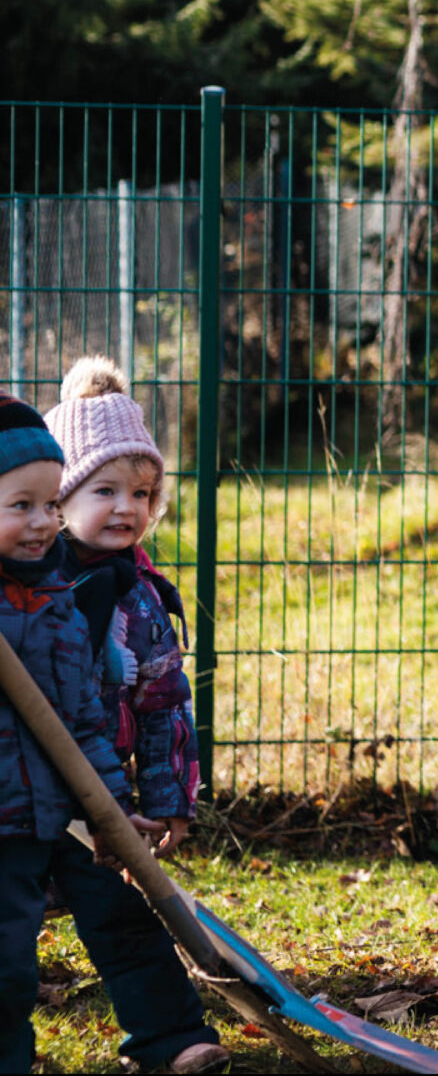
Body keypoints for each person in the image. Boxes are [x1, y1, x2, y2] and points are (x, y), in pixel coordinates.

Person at [0, 396, 224, 1075]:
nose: (41, 522)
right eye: (22, 506)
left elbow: (106, 717)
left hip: (78, 803)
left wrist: (124, 804)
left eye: (47, 506)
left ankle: (171, 1037)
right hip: (7, 814)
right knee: (6, 958)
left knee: (125, 916)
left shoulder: (64, 603)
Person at [44, 359, 198, 851]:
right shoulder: (28, 588)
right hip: (21, 795)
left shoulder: (141, 599)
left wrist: (167, 799)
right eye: (105, 490)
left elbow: (164, 705)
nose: (127, 507)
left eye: (141, 493)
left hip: (105, 798)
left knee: (110, 898)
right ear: (59, 500)